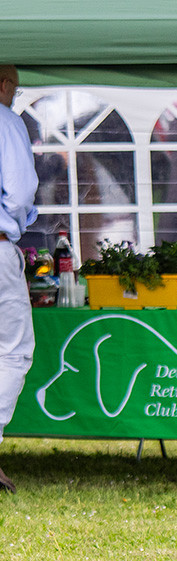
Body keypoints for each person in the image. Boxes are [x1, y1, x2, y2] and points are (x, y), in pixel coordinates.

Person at [0, 65, 39, 493]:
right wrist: (15, 222)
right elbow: (21, 190)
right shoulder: (6, 121)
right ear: (4, 86)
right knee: (12, 351)